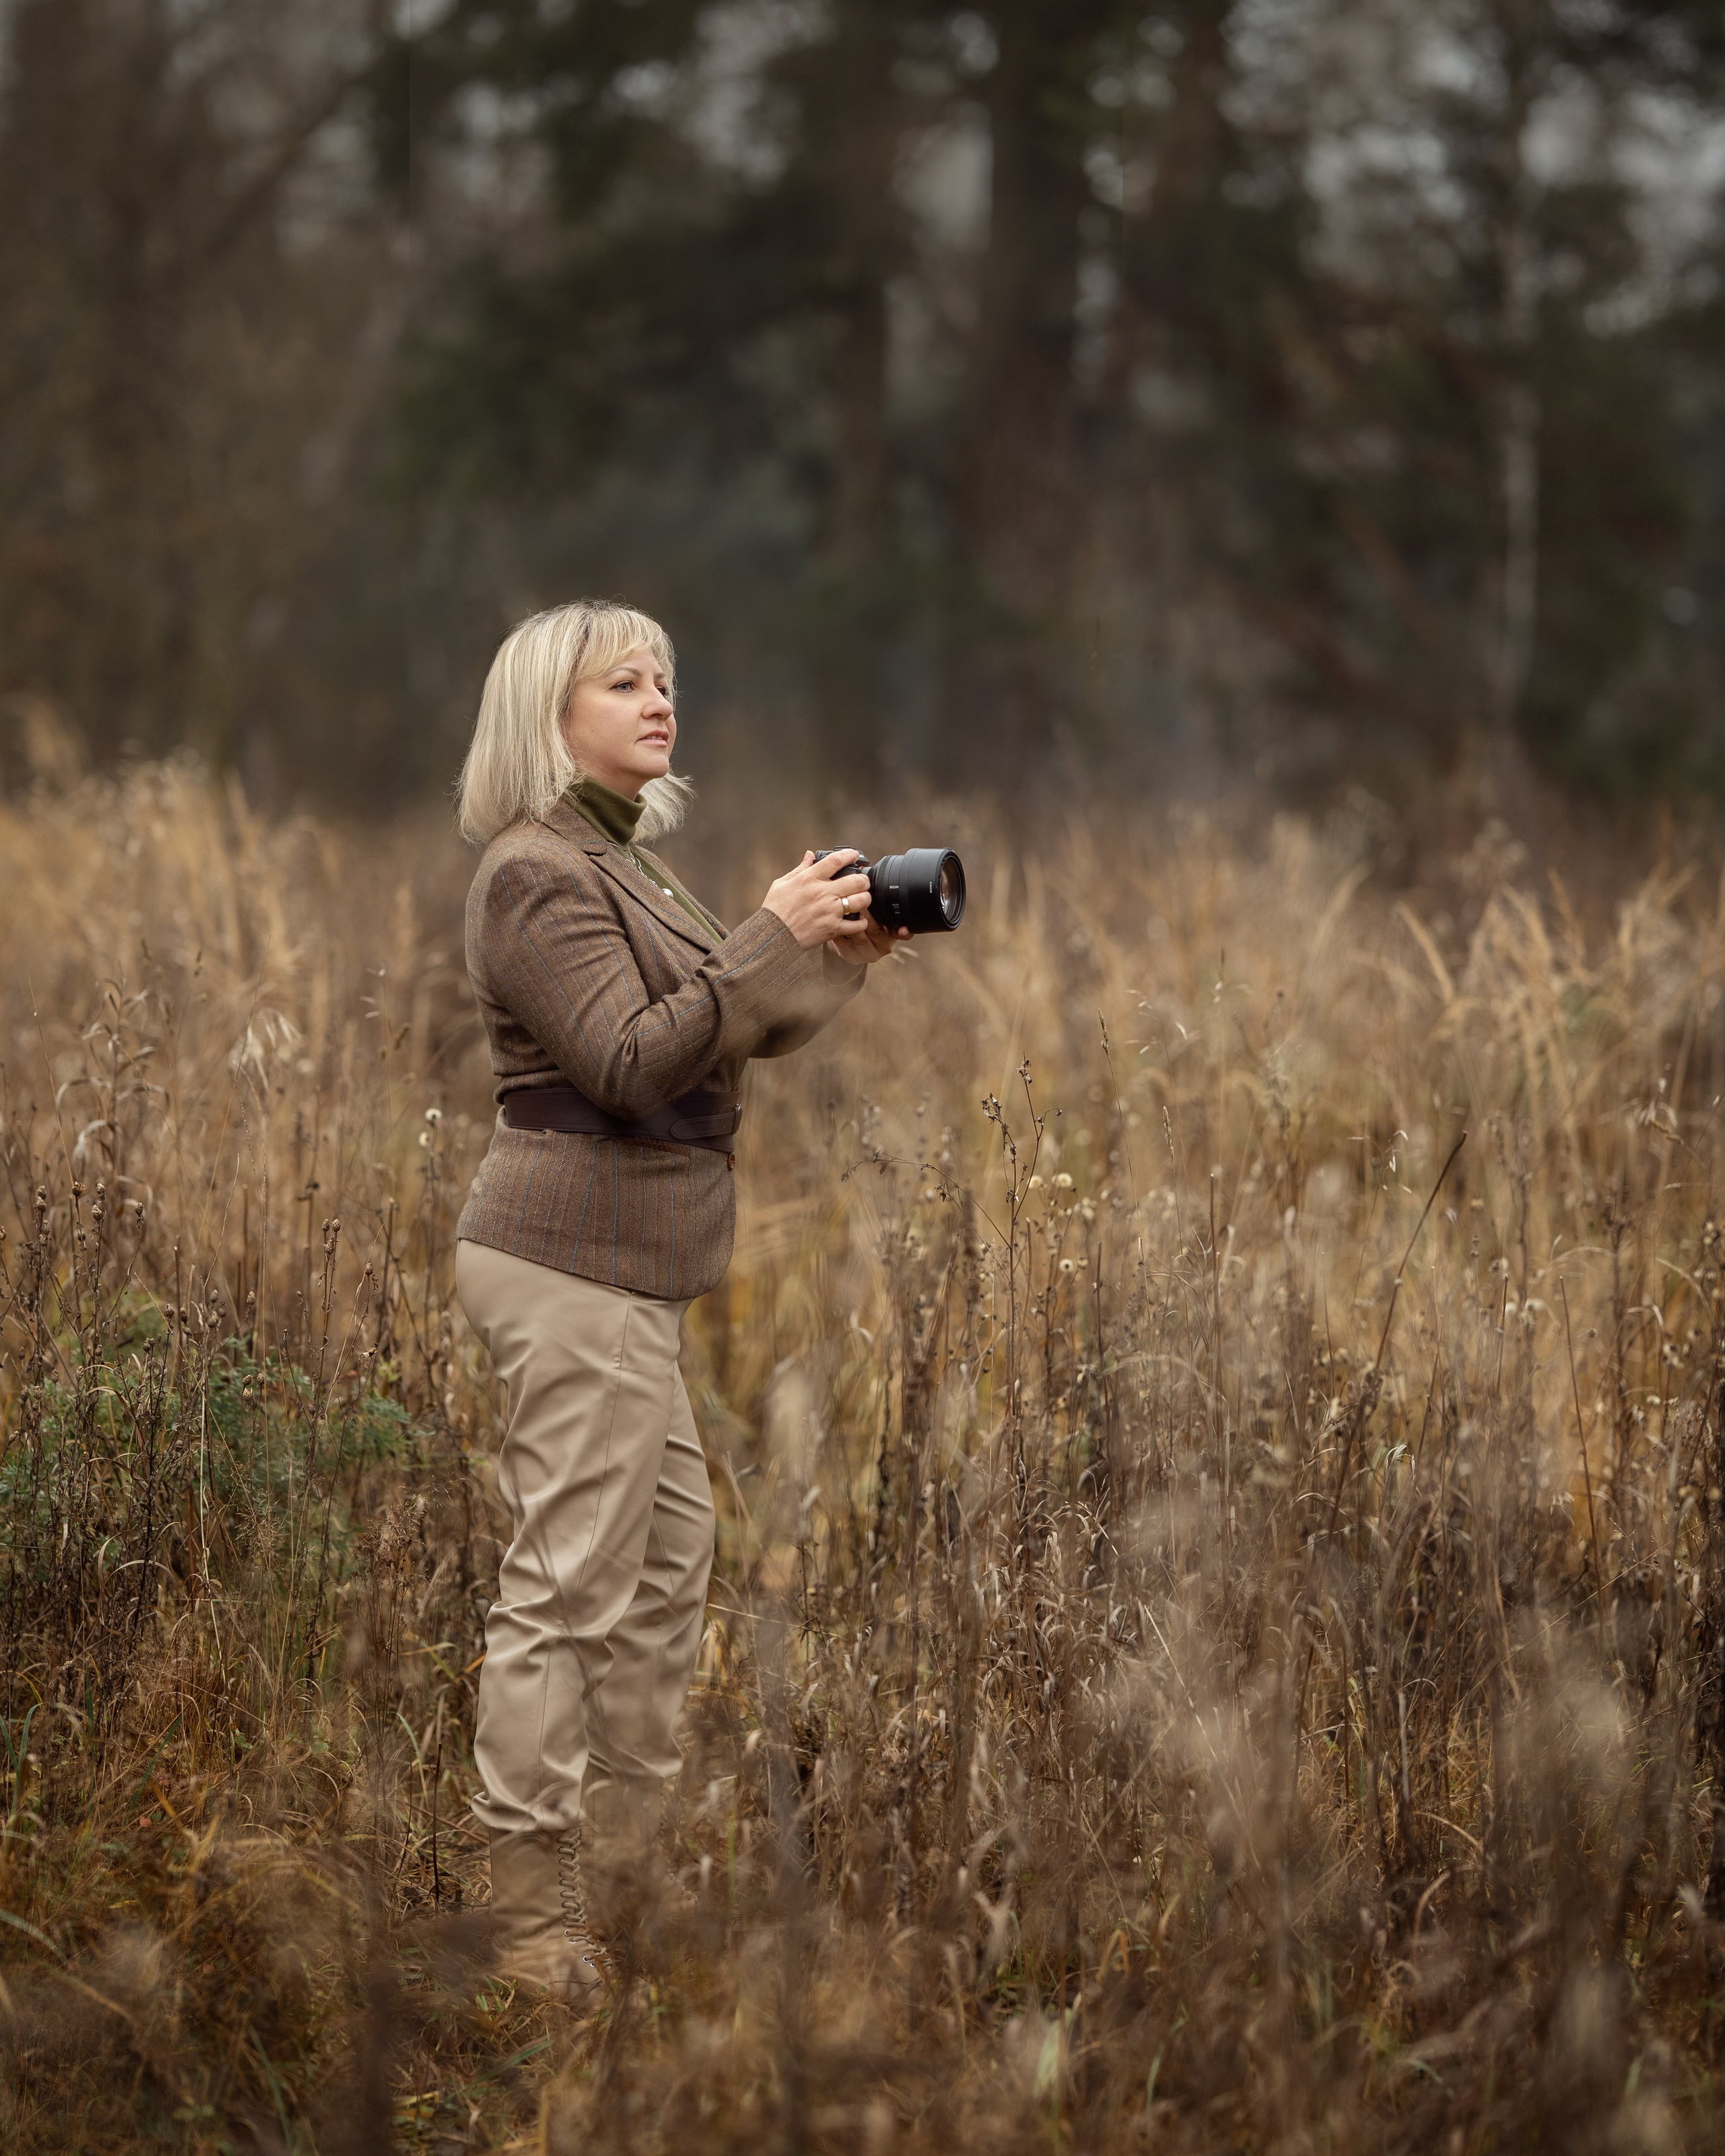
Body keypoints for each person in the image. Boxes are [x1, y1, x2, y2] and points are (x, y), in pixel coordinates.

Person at [451, 599, 904, 1999]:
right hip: (566, 1256)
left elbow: (722, 1025)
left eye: (666, 680)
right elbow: (630, 1060)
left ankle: (629, 1878)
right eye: (622, 682)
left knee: (657, 1577)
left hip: (630, 1267)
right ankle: (527, 1921)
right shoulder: (536, 873)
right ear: (548, 712)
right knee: (566, 1589)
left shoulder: (621, 859)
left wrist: (824, 959)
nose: (659, 701)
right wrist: (764, 936)